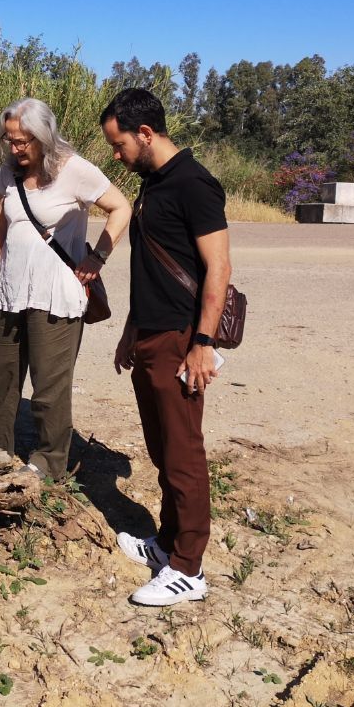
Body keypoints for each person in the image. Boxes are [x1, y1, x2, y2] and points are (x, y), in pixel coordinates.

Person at [0, 98, 132, 480]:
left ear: (44, 137)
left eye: (22, 141)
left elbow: (121, 207)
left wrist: (97, 258)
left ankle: (51, 459)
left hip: (57, 295)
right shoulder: (9, 171)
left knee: (49, 384)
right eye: (9, 140)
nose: (14, 148)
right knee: (2, 371)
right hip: (12, 289)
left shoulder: (75, 170)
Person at [101, 88, 232, 606]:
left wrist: (202, 342)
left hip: (181, 338)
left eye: (119, 145)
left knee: (183, 453)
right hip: (152, 335)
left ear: (146, 134)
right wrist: (131, 329)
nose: (116, 155)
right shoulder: (155, 183)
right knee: (161, 448)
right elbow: (152, 267)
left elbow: (218, 268)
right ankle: (168, 542)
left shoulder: (196, 185)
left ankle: (189, 568)